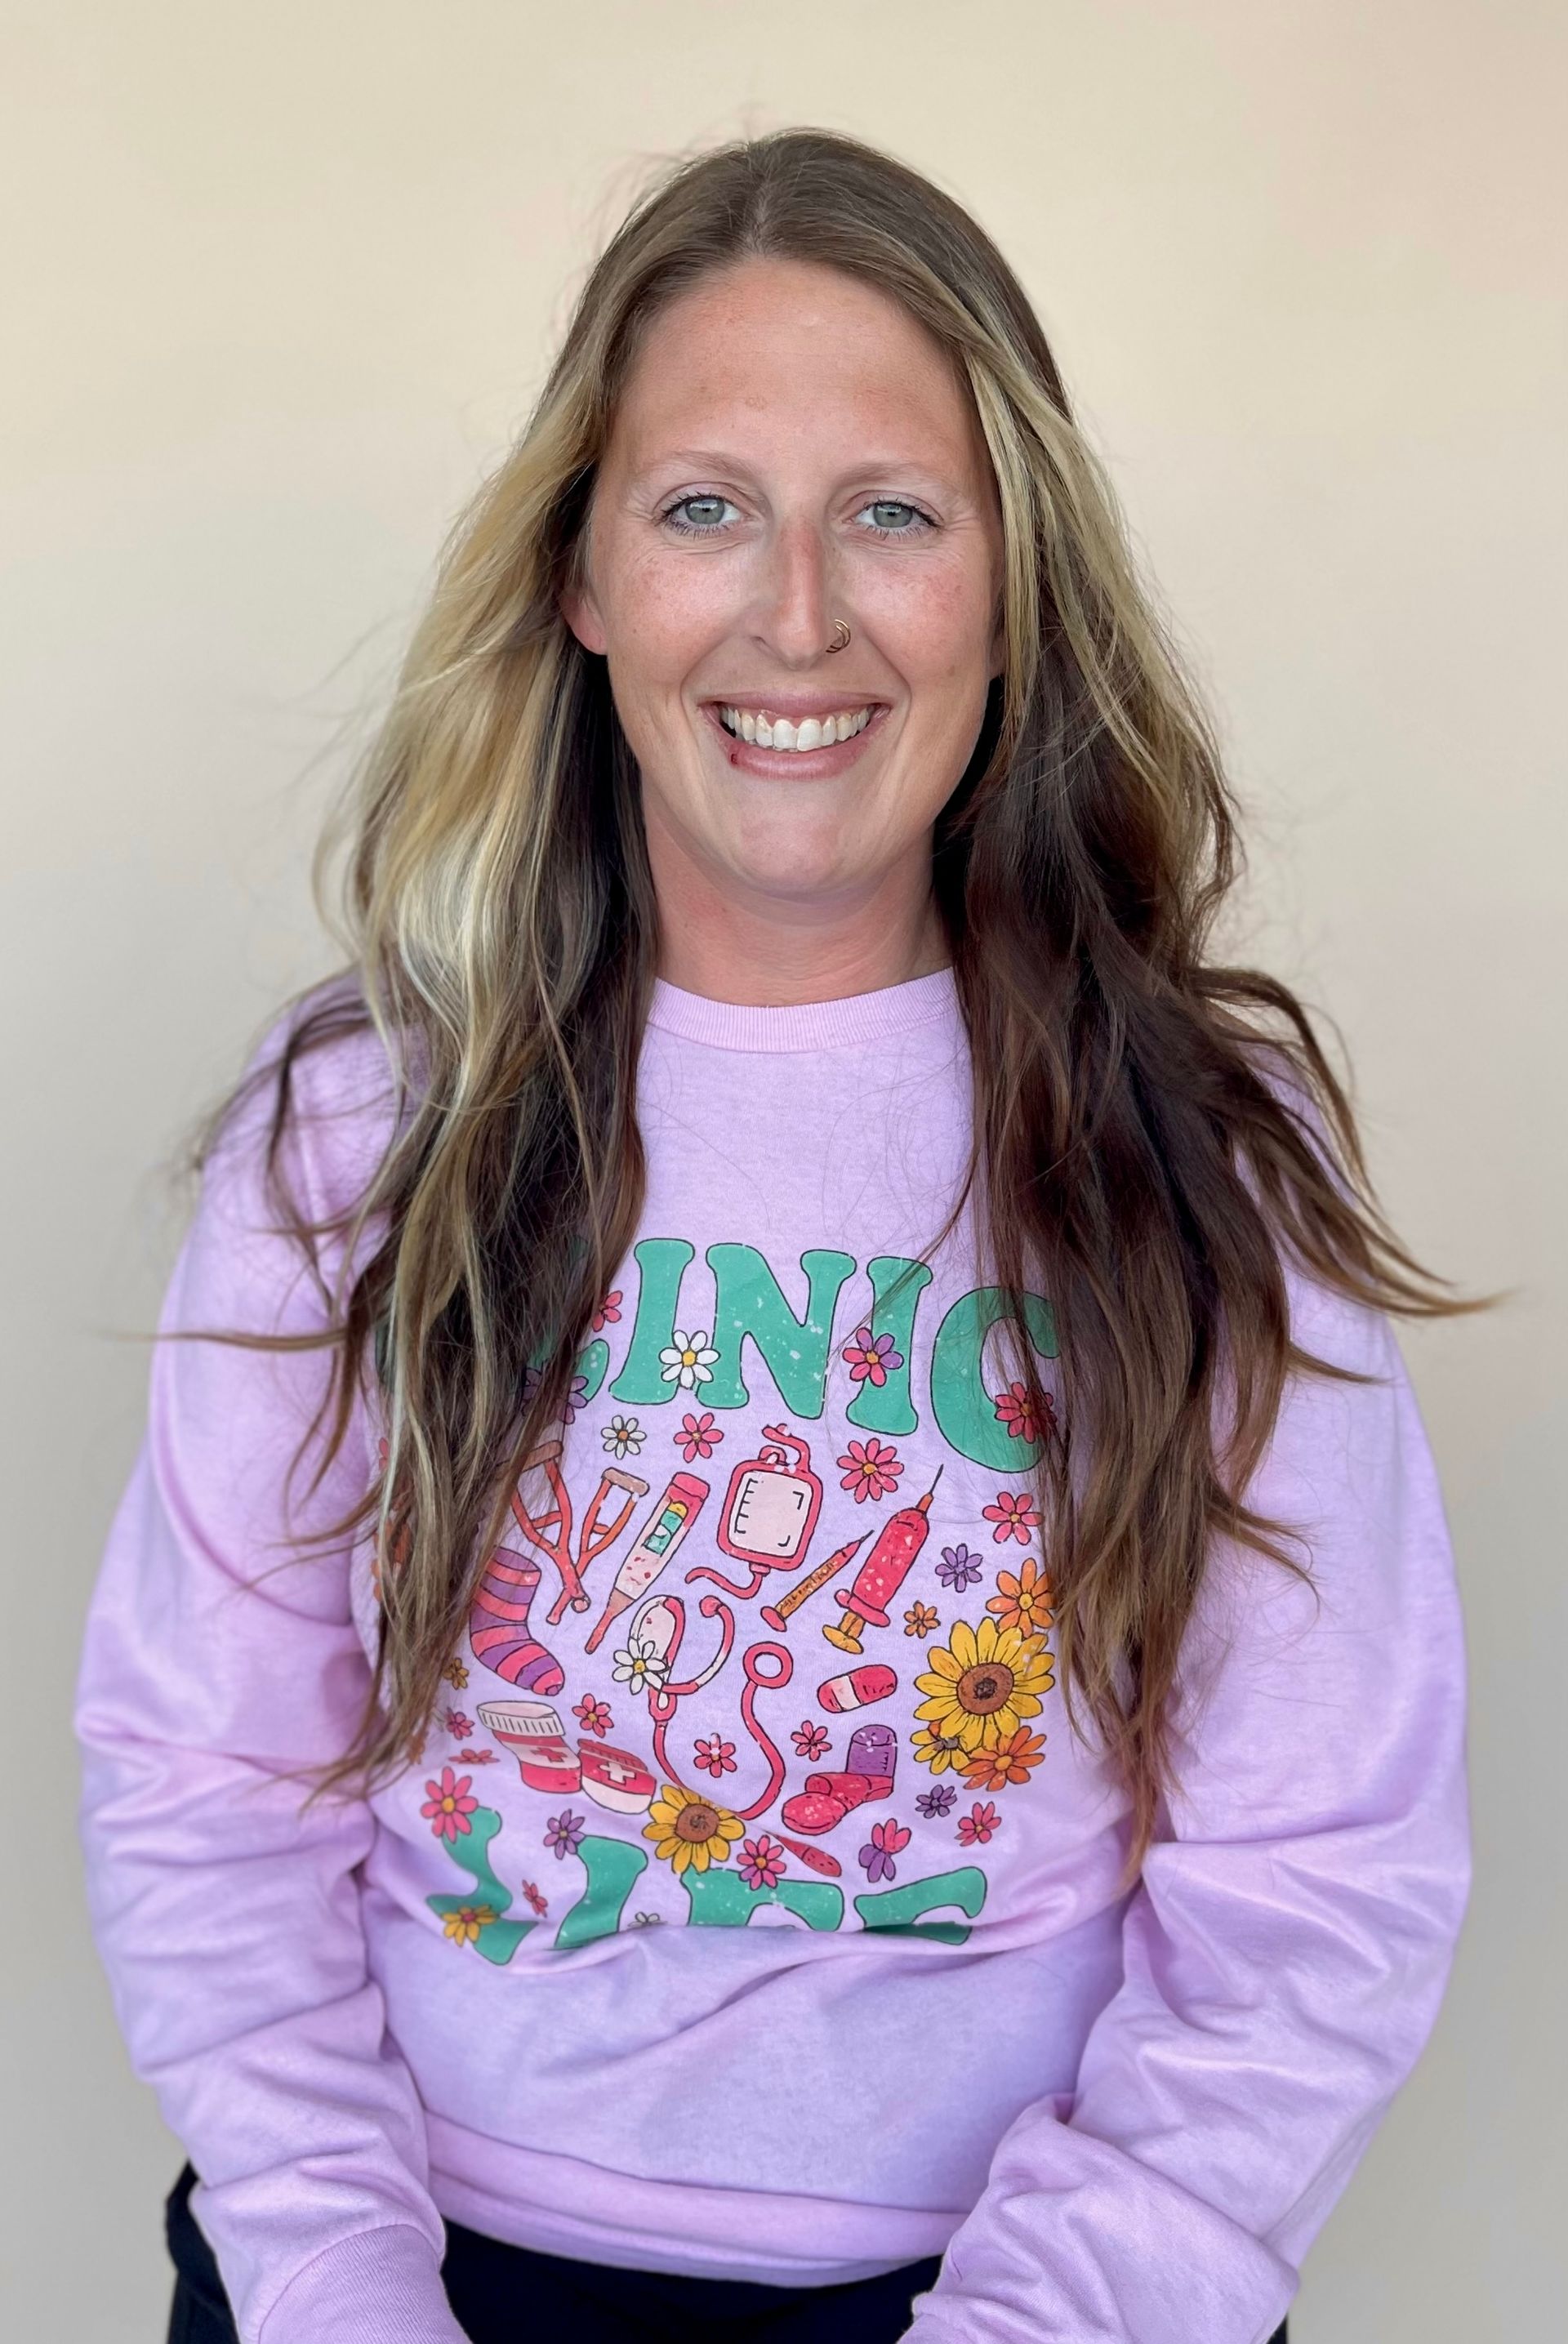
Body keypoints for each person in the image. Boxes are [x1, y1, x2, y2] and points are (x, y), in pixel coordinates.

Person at [73, 126, 1472, 2344]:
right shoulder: (363, 1128)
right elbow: (203, 1776)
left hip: (1025, 2296)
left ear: (1011, 584)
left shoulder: (1205, 1154)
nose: (798, 612)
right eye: (704, 504)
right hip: (405, 2270)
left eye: (893, 515)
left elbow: (1322, 1876)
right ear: (584, 577)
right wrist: (343, 2292)